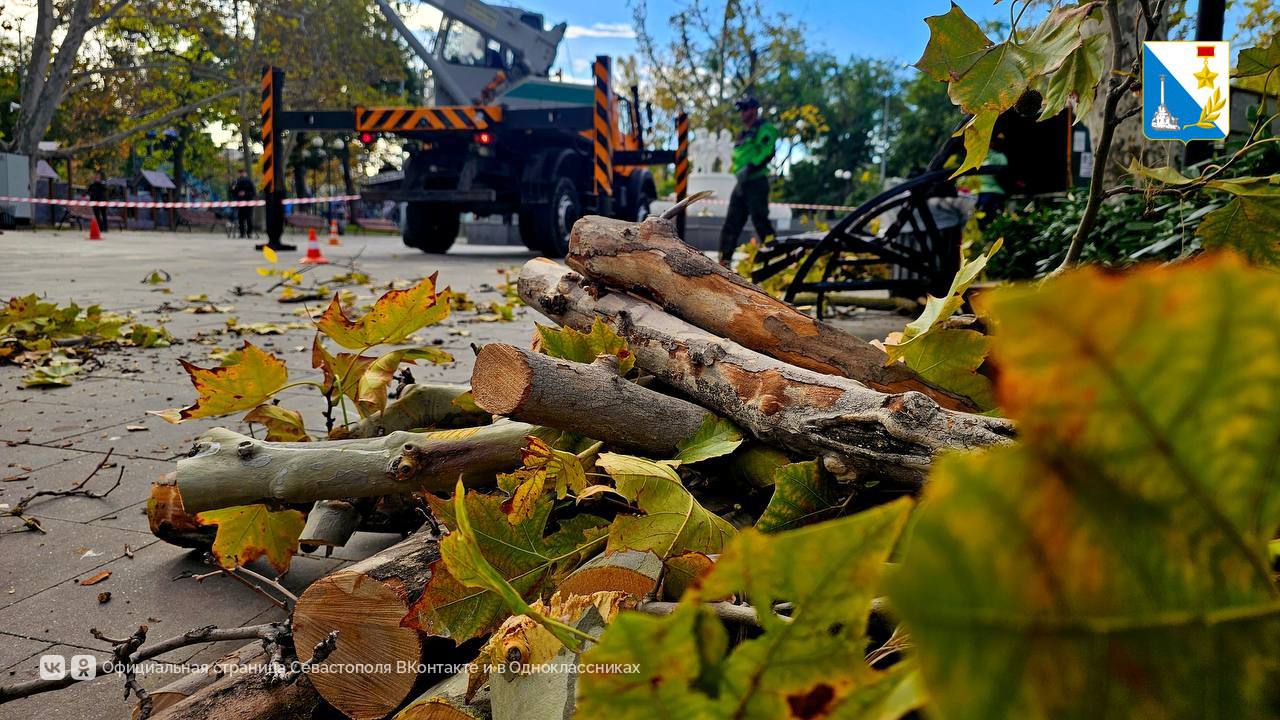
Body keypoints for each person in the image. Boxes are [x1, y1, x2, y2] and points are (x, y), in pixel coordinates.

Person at [718, 95, 778, 266]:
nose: (742, 114)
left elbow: (767, 151)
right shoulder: (742, 133)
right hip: (741, 184)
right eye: (741, 110)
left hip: (756, 182)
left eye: (745, 109)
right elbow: (739, 155)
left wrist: (751, 167)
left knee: (761, 221)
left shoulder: (764, 128)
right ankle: (724, 262)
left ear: (754, 109)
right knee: (731, 222)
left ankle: (774, 259)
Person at [975, 133, 1009, 227]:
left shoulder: (976, 157)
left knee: (983, 222)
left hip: (982, 194)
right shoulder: (999, 157)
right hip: (990, 193)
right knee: (994, 222)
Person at [231, 169, 256, 238]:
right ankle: (242, 233)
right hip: (240, 202)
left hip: (248, 202)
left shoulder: (249, 181)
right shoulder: (236, 181)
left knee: (249, 218)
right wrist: (234, 190)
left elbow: (253, 193)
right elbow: (232, 191)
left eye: (242, 173)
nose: (241, 175)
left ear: (245, 173)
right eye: (240, 173)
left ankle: (249, 233)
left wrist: (245, 193)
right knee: (240, 219)